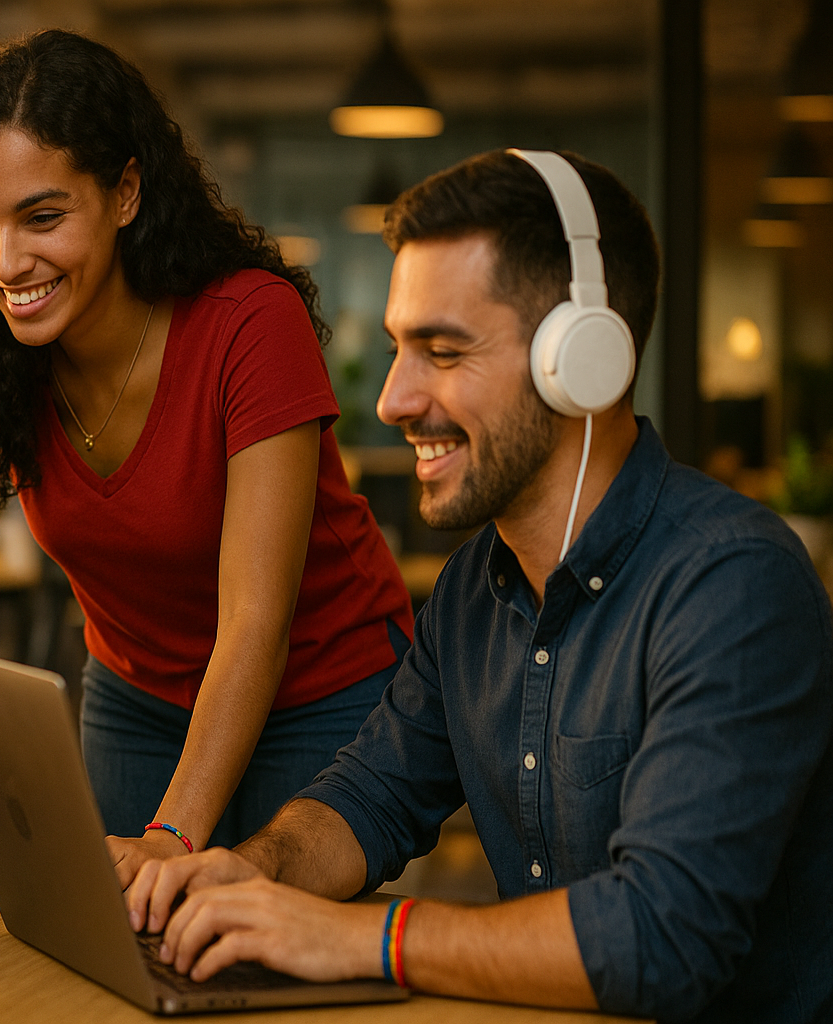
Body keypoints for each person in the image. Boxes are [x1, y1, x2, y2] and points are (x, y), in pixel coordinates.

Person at [123, 150, 833, 1022]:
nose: (389, 399)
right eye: (396, 349)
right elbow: (372, 795)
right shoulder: (471, 592)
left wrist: (355, 940)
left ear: (584, 361)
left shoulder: (733, 584)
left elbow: (663, 939)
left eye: (443, 351)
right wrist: (258, 868)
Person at [0, 29, 413, 883]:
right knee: (125, 958)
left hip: (316, 686)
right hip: (136, 698)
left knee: (266, 967)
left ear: (125, 191)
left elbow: (253, 628)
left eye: (43, 216)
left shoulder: (247, 324)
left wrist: (174, 834)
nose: (7, 262)